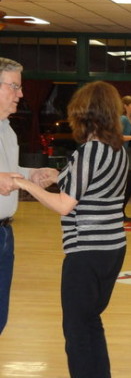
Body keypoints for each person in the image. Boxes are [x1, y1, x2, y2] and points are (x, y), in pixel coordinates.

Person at [14, 80, 129, 378]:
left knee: (77, 331)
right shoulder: (115, 149)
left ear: (84, 112)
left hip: (86, 251)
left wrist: (23, 183)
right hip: (112, 248)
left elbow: (65, 205)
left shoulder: (89, 151)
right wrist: (58, 174)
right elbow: (91, 186)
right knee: (90, 322)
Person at [0, 57, 58, 335]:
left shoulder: (7, 130)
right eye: (14, 87)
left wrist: (30, 175)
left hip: (4, 236)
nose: (21, 94)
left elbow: (8, 173)